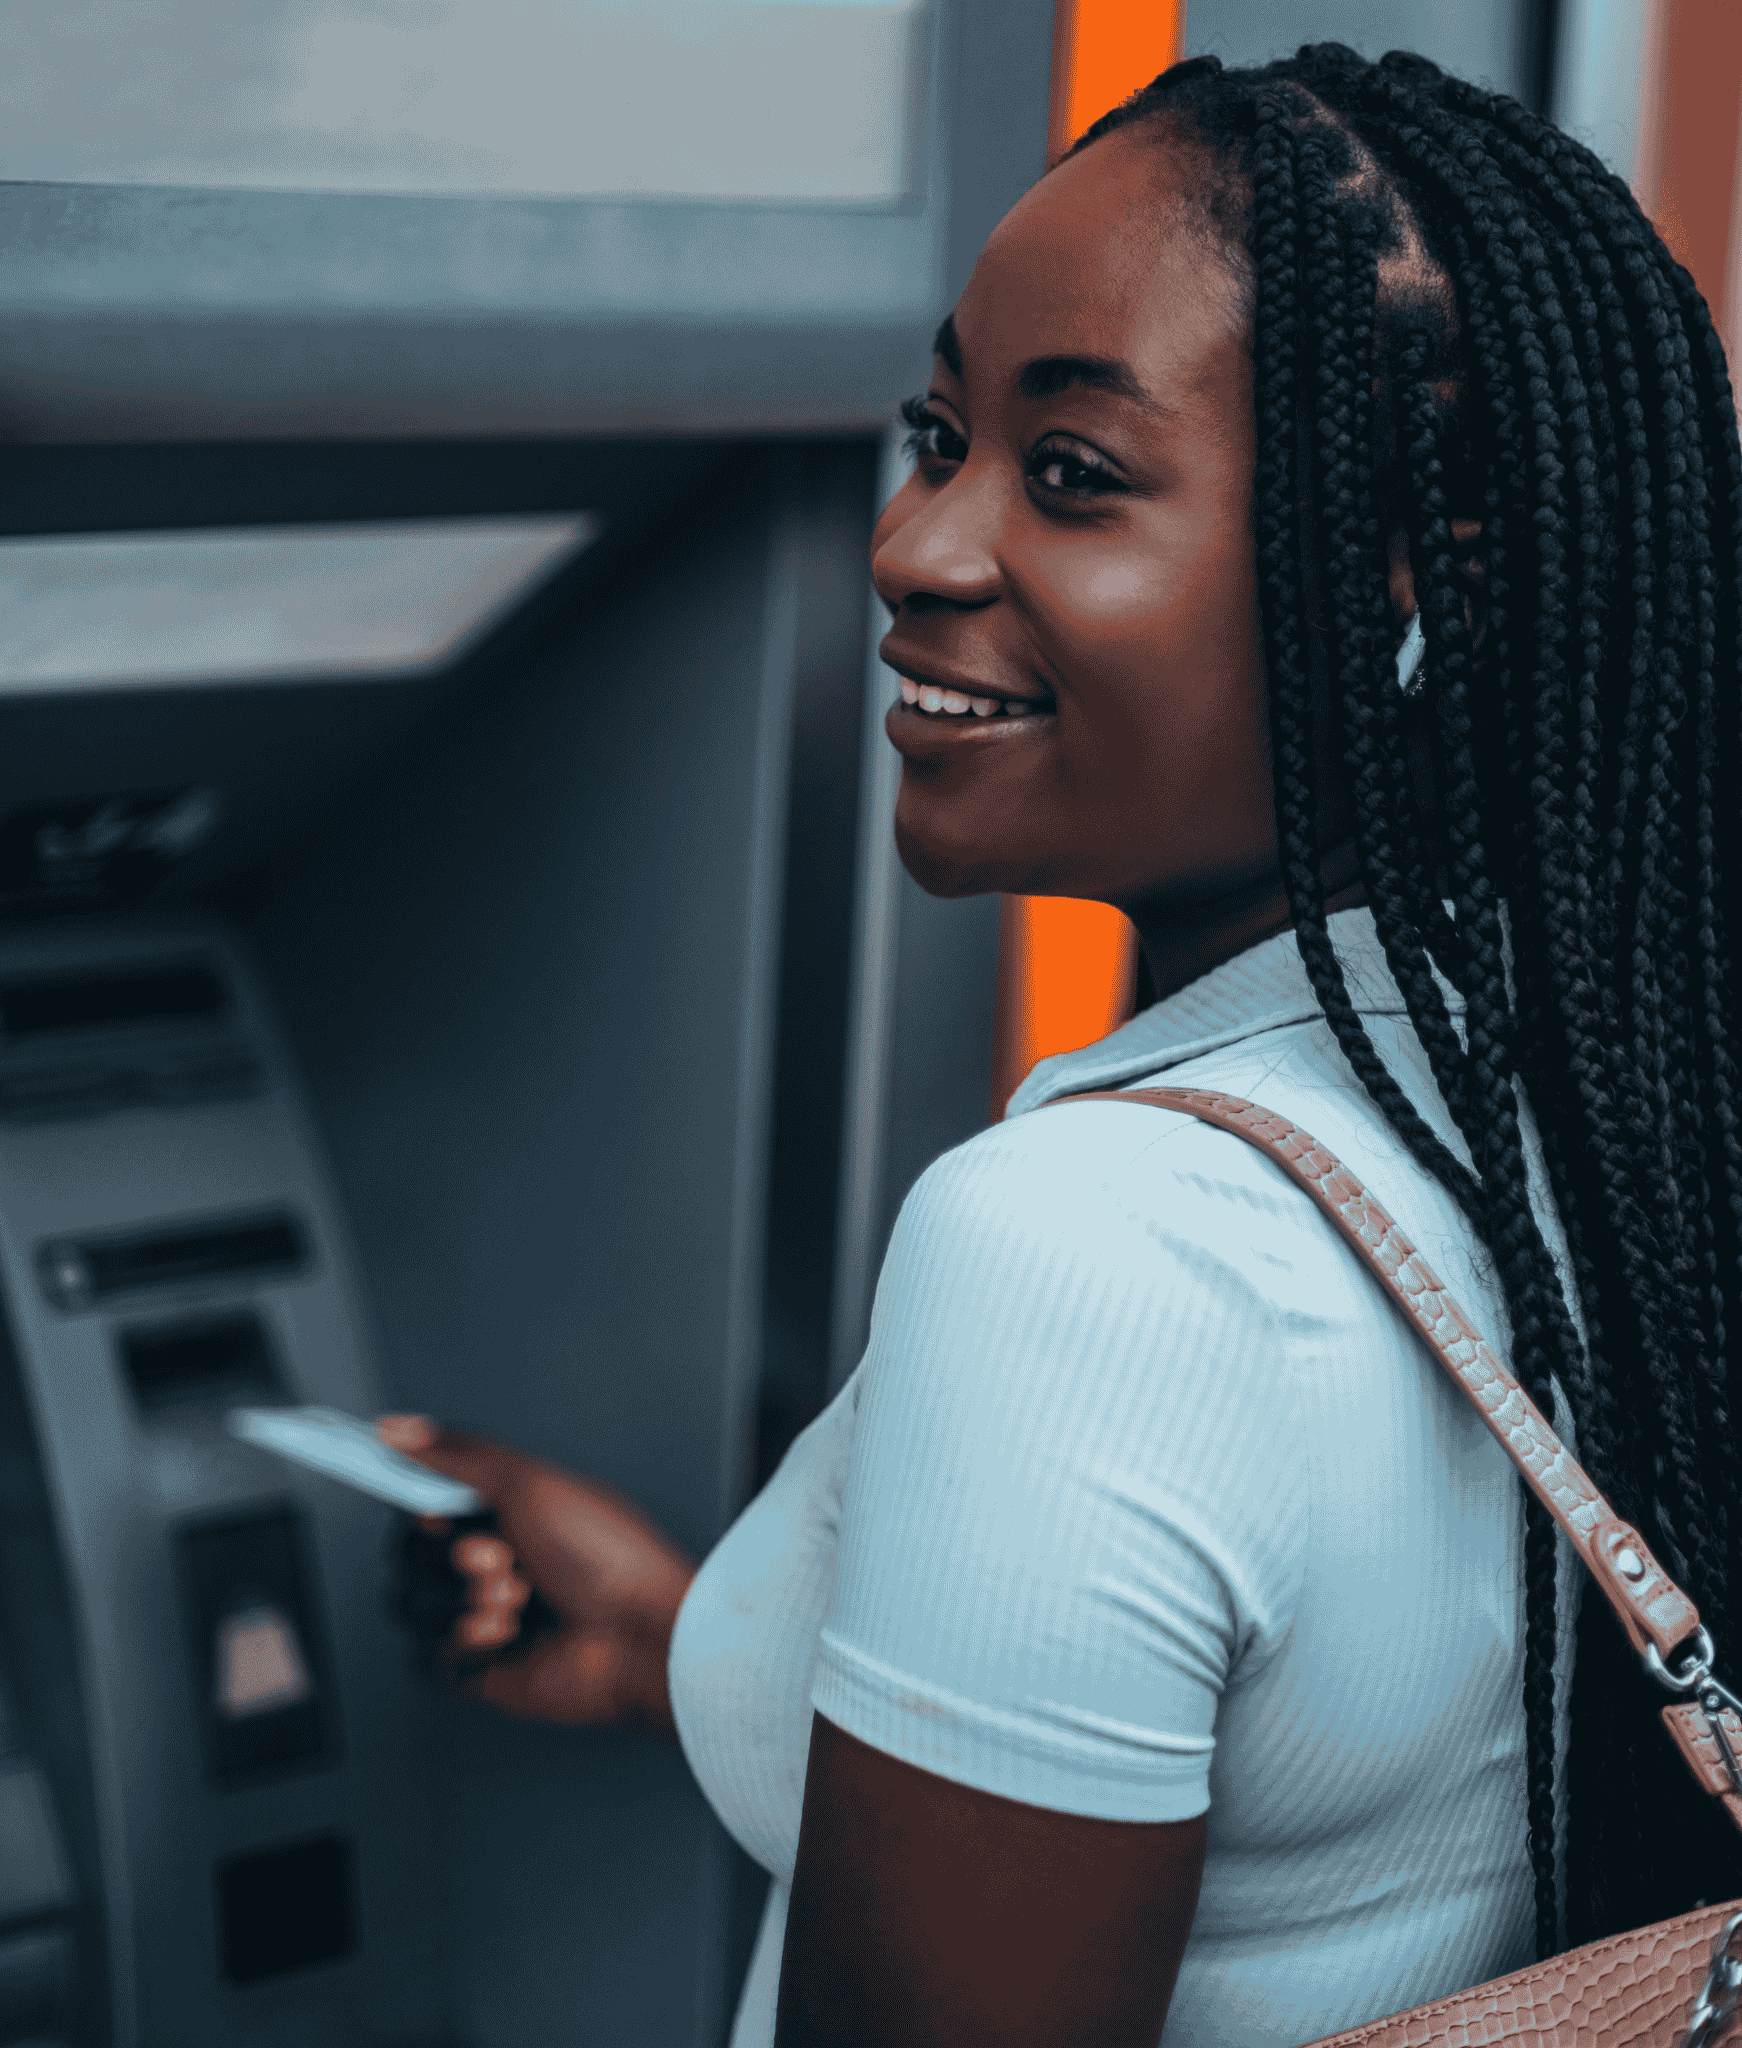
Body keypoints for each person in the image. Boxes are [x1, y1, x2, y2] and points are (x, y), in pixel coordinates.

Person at [375, 44, 1742, 2047]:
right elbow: (1337, 1806)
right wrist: (702, 1636)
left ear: (1400, 599)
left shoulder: (1092, 1253)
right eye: (938, 433)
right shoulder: (1604, 1117)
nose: (916, 546)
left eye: (1074, 473)